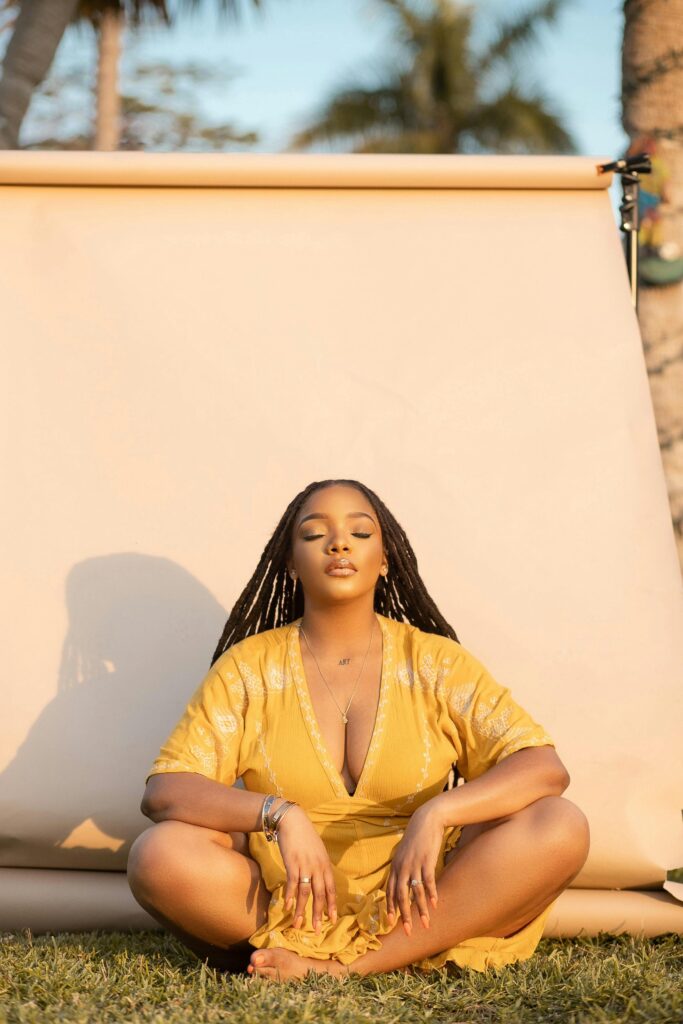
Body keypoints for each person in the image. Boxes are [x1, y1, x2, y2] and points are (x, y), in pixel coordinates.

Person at [127, 478, 590, 981]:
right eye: (313, 534)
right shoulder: (249, 668)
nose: (339, 543)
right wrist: (280, 815)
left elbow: (542, 768)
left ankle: (342, 967)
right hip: (290, 900)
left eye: (360, 532)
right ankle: (322, 953)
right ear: (289, 562)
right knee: (159, 854)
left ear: (386, 559)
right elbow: (166, 791)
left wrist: (438, 813)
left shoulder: (435, 662)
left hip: (423, 897)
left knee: (559, 824)